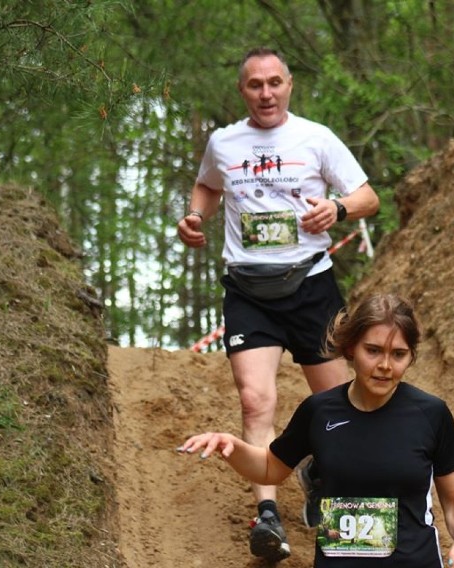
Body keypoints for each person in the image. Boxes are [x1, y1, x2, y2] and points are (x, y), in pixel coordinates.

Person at [176, 47, 380, 562]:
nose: (265, 93)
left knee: (341, 407)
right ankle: (267, 516)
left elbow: (368, 197)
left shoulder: (316, 137)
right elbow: (206, 185)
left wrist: (336, 207)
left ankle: (329, 489)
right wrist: (195, 218)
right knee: (255, 400)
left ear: (289, 85)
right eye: (254, 85)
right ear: (241, 91)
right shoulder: (224, 142)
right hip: (248, 292)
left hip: (311, 286)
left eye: (274, 82)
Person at [178, 293, 454, 568]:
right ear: (351, 349)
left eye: (398, 354)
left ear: (410, 356)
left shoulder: (430, 413)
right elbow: (270, 469)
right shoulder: (319, 411)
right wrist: (230, 446)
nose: (385, 365)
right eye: (373, 351)